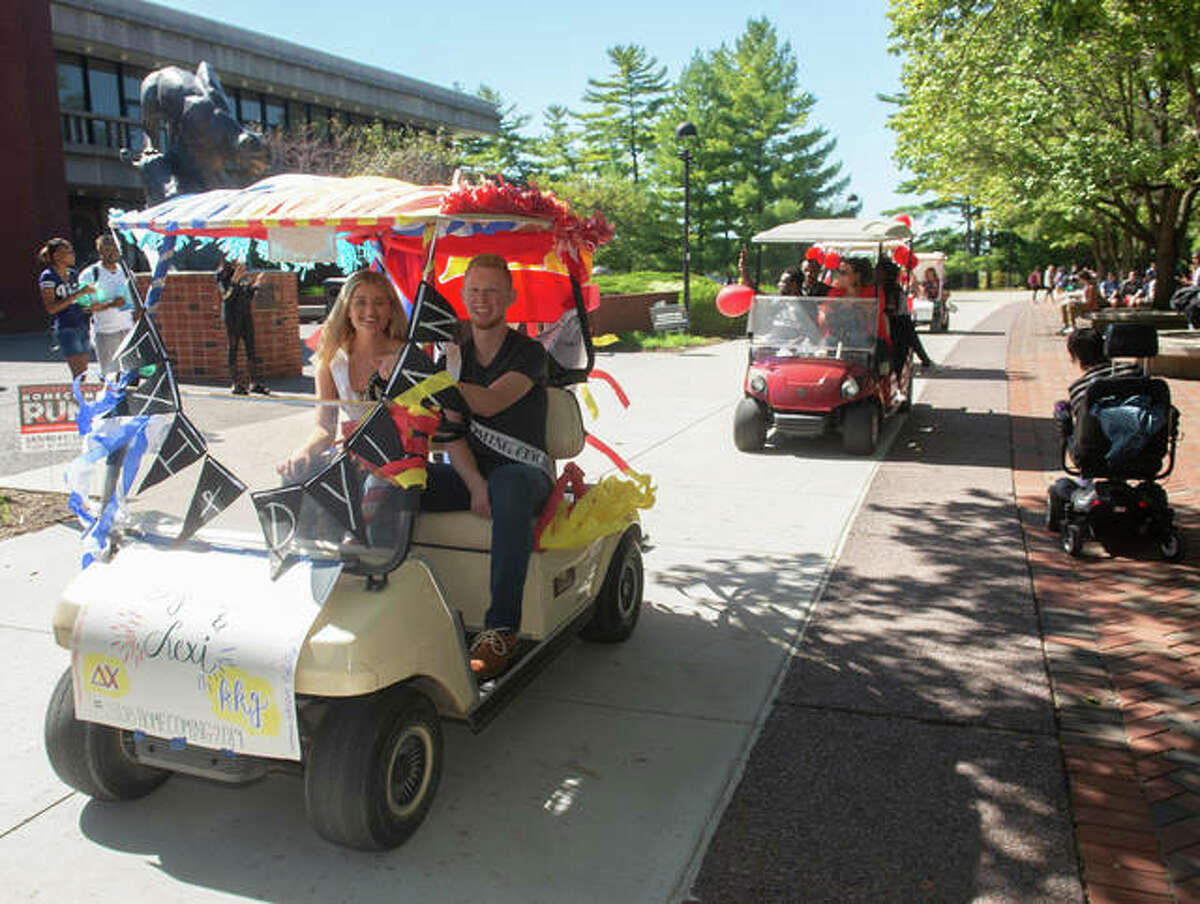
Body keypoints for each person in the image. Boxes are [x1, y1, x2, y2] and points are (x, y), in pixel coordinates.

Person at [421, 254, 553, 680]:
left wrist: (426, 381)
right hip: (475, 475)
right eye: (474, 290)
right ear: (462, 295)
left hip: (525, 473)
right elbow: (451, 432)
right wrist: (475, 483)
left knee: (509, 487)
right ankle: (395, 603)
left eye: (492, 291)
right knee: (399, 482)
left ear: (510, 298)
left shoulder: (529, 353)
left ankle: (501, 630)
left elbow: (492, 401)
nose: (483, 299)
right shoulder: (454, 357)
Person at [279, 269, 409, 481]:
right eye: (360, 302)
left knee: (371, 486)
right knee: (294, 475)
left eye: (379, 302)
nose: (370, 311)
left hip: (398, 462)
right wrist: (303, 452)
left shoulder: (406, 355)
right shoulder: (331, 359)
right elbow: (324, 428)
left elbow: (422, 422)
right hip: (353, 459)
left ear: (390, 310)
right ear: (347, 309)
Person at [37, 238, 96, 379]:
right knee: (78, 374)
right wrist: (78, 294)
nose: (72, 255)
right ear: (56, 256)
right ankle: (77, 399)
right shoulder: (48, 277)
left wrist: (88, 306)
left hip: (82, 324)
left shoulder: (73, 274)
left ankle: (81, 398)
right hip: (66, 328)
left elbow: (79, 300)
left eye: (71, 251)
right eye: (68, 252)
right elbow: (51, 308)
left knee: (84, 372)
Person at [79, 235, 135, 378]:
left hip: (128, 329)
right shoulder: (90, 274)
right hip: (105, 332)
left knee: (130, 376)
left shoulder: (126, 272)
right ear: (100, 251)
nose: (112, 253)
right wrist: (111, 304)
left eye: (115, 249)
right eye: (107, 249)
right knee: (110, 376)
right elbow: (85, 307)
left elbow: (134, 301)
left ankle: (126, 401)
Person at [217, 259, 269, 395]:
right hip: (232, 317)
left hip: (245, 314)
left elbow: (247, 295)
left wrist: (256, 285)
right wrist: (234, 280)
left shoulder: (243, 274)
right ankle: (236, 384)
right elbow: (226, 297)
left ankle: (254, 383)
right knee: (233, 347)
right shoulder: (222, 274)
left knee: (251, 347)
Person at [1060, 269, 1100, 333]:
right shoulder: (1085, 286)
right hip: (1085, 304)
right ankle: (1065, 325)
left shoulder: (1091, 287)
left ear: (1083, 279)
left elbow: (1090, 301)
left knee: (1070, 305)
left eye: (1080, 279)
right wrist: (1077, 300)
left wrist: (1078, 302)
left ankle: (1073, 326)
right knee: (1063, 305)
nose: (1079, 281)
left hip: (1091, 306)